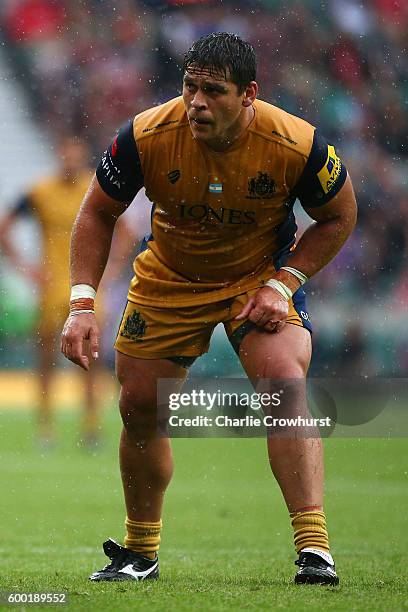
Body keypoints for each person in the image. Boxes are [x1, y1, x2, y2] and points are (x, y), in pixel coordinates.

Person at [61, 33, 357, 584]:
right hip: (169, 280)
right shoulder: (145, 135)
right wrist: (82, 301)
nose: (195, 102)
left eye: (212, 91)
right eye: (189, 86)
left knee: (284, 385)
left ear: (249, 94)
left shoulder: (298, 144)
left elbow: (340, 217)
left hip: (256, 282)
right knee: (138, 408)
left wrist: (285, 282)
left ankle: (315, 549)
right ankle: (140, 553)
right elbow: (98, 212)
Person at [0, 137, 102, 446]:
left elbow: (123, 229)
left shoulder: (94, 189)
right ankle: (46, 427)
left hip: (86, 286)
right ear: (60, 155)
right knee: (46, 359)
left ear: (82, 156)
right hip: (52, 286)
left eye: (76, 154)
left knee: (90, 359)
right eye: (66, 153)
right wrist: (27, 269)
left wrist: (108, 272)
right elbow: (5, 227)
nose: (70, 159)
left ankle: (90, 426)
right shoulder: (41, 191)